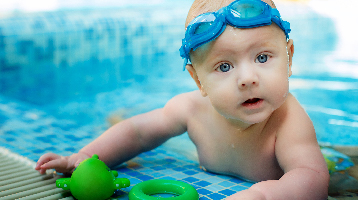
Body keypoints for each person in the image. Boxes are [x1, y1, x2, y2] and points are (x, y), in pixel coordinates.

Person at [36, 0, 330, 199]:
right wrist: (86, 157)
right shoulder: (190, 109)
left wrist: (263, 194)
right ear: (198, 80)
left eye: (262, 57)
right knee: (123, 120)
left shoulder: (288, 121)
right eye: (224, 66)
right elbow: (137, 132)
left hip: (326, 166)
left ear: (289, 57)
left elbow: (313, 177)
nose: (247, 78)